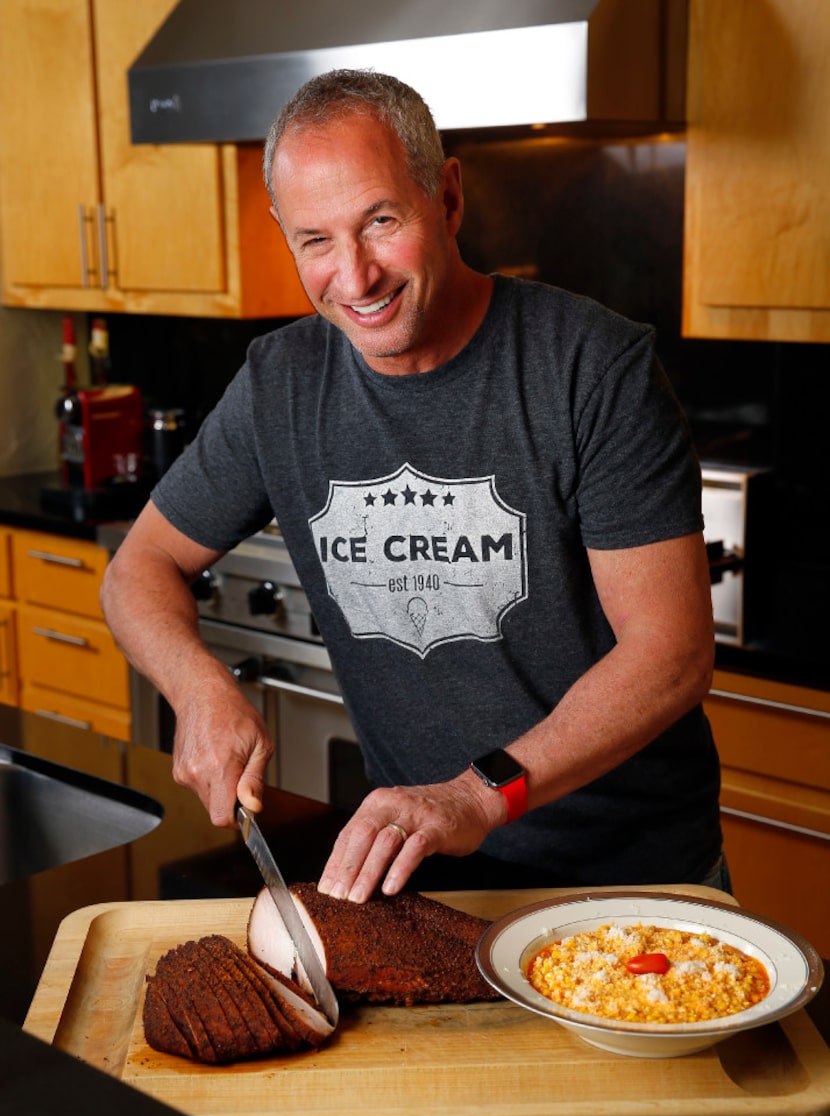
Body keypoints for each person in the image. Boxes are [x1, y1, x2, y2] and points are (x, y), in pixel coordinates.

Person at [100, 68, 726, 905]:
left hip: (629, 881)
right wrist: (200, 689)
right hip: (426, 889)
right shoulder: (280, 383)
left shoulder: (587, 367)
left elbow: (672, 654)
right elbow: (138, 569)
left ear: (449, 197)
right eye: (315, 241)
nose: (353, 278)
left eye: (381, 222)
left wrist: (477, 793)